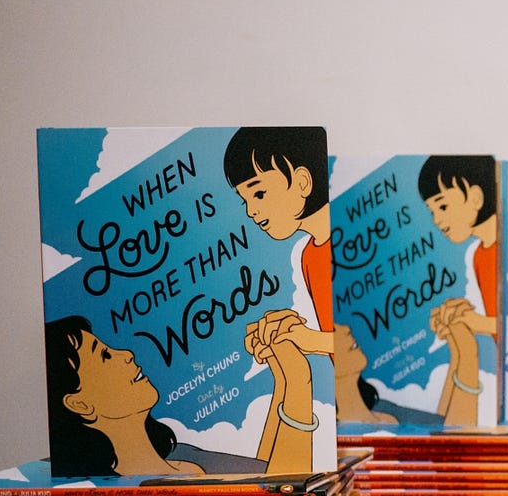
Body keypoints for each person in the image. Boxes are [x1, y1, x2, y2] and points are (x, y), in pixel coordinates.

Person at [45, 312, 317, 476]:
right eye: (104, 356)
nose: (126, 354)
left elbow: (271, 473)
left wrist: (280, 375)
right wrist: (298, 379)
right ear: (80, 403)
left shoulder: (182, 455)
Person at [224, 127, 334, 356]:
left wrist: (312, 340)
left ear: (302, 182)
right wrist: (293, 332)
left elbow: (367, 339)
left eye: (259, 194)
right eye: (245, 200)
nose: (251, 211)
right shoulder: (309, 255)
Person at [417, 156, 501, 425]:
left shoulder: (503, 248)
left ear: (475, 198)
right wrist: (465, 317)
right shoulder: (478, 254)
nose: (437, 220)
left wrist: (478, 322)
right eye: (431, 211)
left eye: (442, 206)